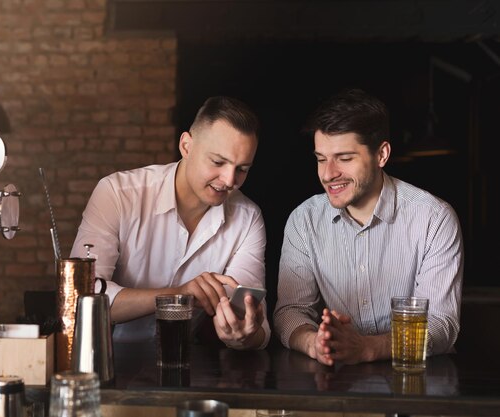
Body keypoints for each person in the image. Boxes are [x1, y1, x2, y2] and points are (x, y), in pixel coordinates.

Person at [273, 88, 463, 365]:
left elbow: (442, 324)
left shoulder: (434, 217)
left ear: (382, 154)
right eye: (321, 158)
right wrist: (314, 343)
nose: (328, 174)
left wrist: (367, 348)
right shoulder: (304, 220)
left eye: (345, 158)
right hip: (335, 381)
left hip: (416, 382)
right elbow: (291, 311)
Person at [71, 96, 270, 350]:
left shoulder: (248, 217)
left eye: (242, 169)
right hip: (104, 357)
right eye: (218, 162)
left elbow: (254, 319)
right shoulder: (117, 193)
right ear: (186, 146)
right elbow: (83, 298)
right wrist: (179, 295)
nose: (230, 180)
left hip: (188, 363)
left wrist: (244, 334)